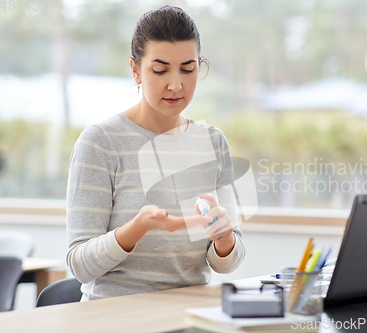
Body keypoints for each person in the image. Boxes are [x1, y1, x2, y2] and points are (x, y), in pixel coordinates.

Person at [66, 5, 245, 301]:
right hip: (117, 315)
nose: (176, 84)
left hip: (191, 310)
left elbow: (227, 261)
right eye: (160, 70)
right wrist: (137, 227)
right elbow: (79, 265)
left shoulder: (213, 142)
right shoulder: (100, 142)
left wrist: (224, 238)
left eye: (188, 69)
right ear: (136, 70)